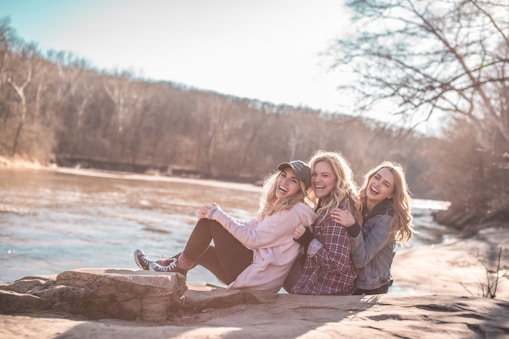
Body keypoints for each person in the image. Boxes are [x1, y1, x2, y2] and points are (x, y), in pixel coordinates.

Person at [134, 160, 316, 293]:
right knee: (203, 251)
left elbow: (252, 239)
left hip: (256, 277)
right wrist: (218, 215)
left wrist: (217, 216)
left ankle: (171, 269)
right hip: (253, 272)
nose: (283, 182)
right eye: (283, 176)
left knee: (209, 224)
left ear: (301, 188)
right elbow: (250, 226)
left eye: (293, 180)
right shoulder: (282, 207)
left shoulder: (292, 213)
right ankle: (165, 267)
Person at [331, 161, 414, 295]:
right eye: (377, 177)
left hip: (371, 288)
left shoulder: (386, 221)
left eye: (385, 184)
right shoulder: (359, 205)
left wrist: (352, 226)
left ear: (390, 194)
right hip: (352, 282)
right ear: (370, 178)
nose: (377, 184)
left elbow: (360, 260)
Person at [288, 150, 363, 295]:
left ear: (338, 179)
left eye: (325, 175)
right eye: (314, 174)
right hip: (318, 282)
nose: (317, 180)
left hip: (326, 290)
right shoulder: (325, 205)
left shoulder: (335, 214)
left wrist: (307, 241)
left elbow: (338, 263)